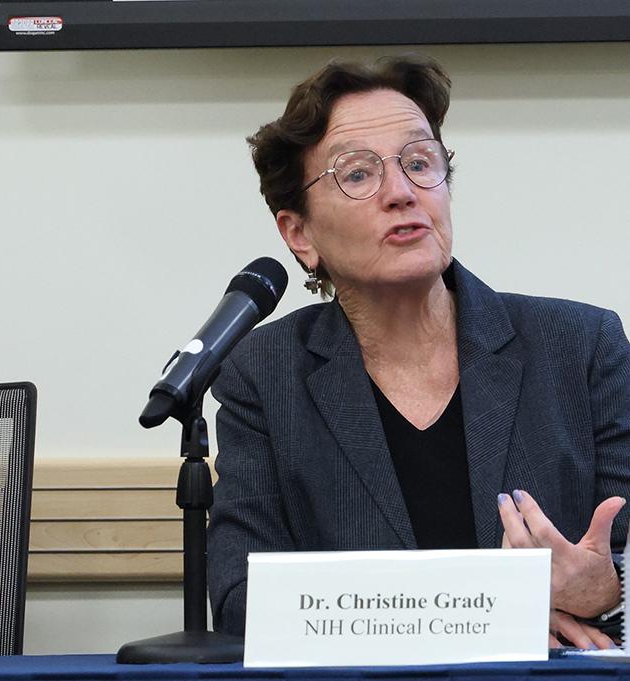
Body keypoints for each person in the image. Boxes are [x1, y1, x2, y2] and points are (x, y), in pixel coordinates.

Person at [206, 55, 630, 649]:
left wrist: (610, 592)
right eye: (357, 174)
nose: (402, 192)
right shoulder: (265, 373)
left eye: (419, 162)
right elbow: (241, 600)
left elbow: (617, 564)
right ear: (299, 235)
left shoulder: (580, 346)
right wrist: (488, 619)